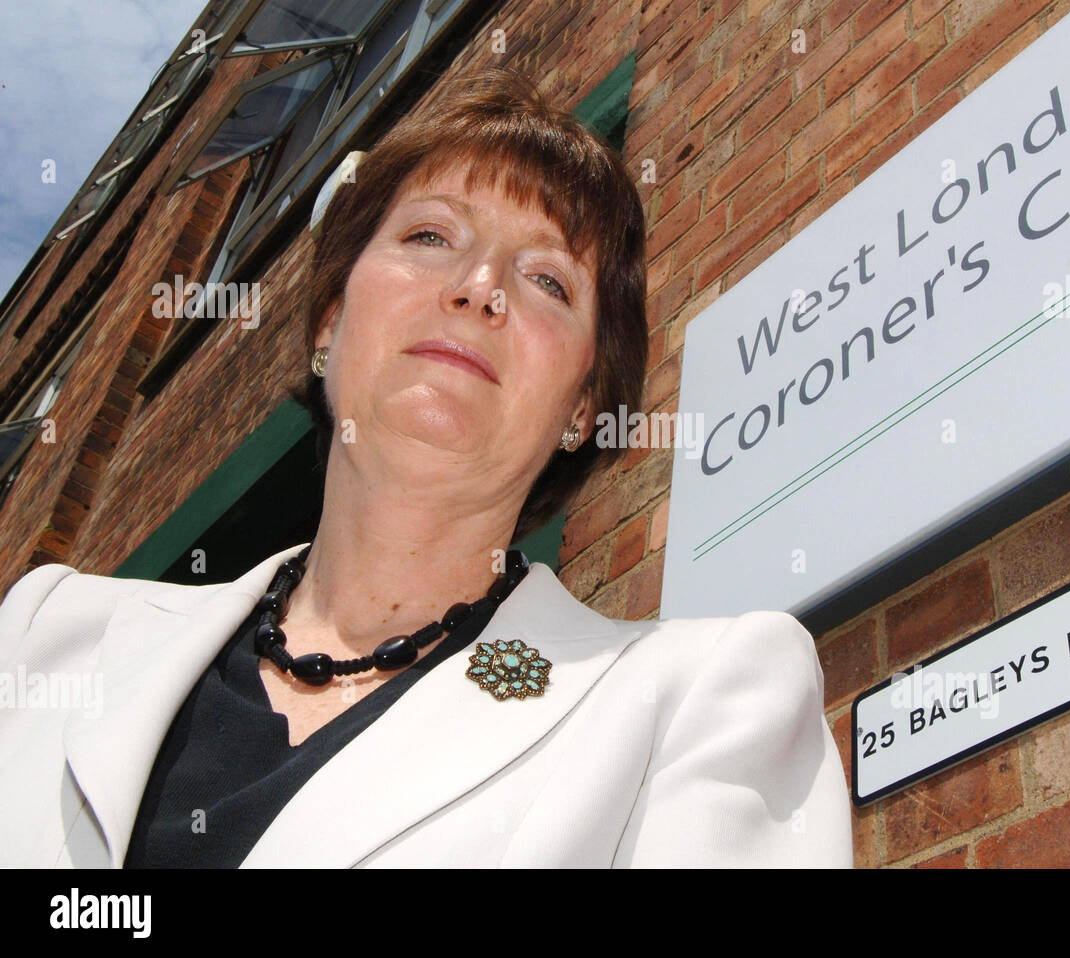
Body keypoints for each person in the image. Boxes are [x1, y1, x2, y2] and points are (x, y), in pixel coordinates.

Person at [0, 69, 853, 867]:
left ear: (584, 405)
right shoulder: (50, 630)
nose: (481, 287)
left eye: (549, 280)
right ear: (330, 319)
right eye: (431, 234)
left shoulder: (699, 703)